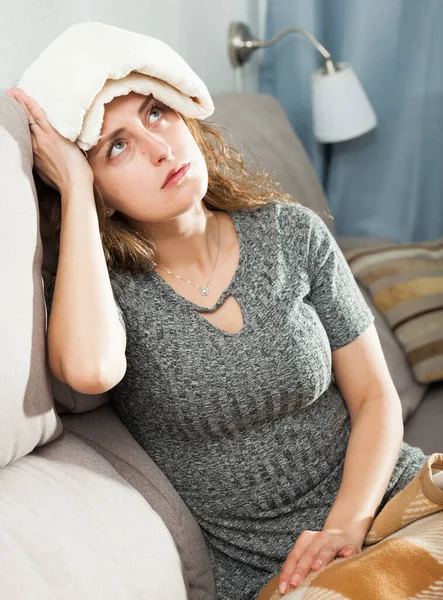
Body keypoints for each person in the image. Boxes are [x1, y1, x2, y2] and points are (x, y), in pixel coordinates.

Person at [7, 26, 428, 600]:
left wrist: (346, 528)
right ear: (98, 189)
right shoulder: (105, 295)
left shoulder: (292, 231)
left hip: (396, 502)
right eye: (117, 147)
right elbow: (90, 370)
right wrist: (78, 194)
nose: (159, 148)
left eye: (156, 113)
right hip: (284, 576)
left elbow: (376, 399)